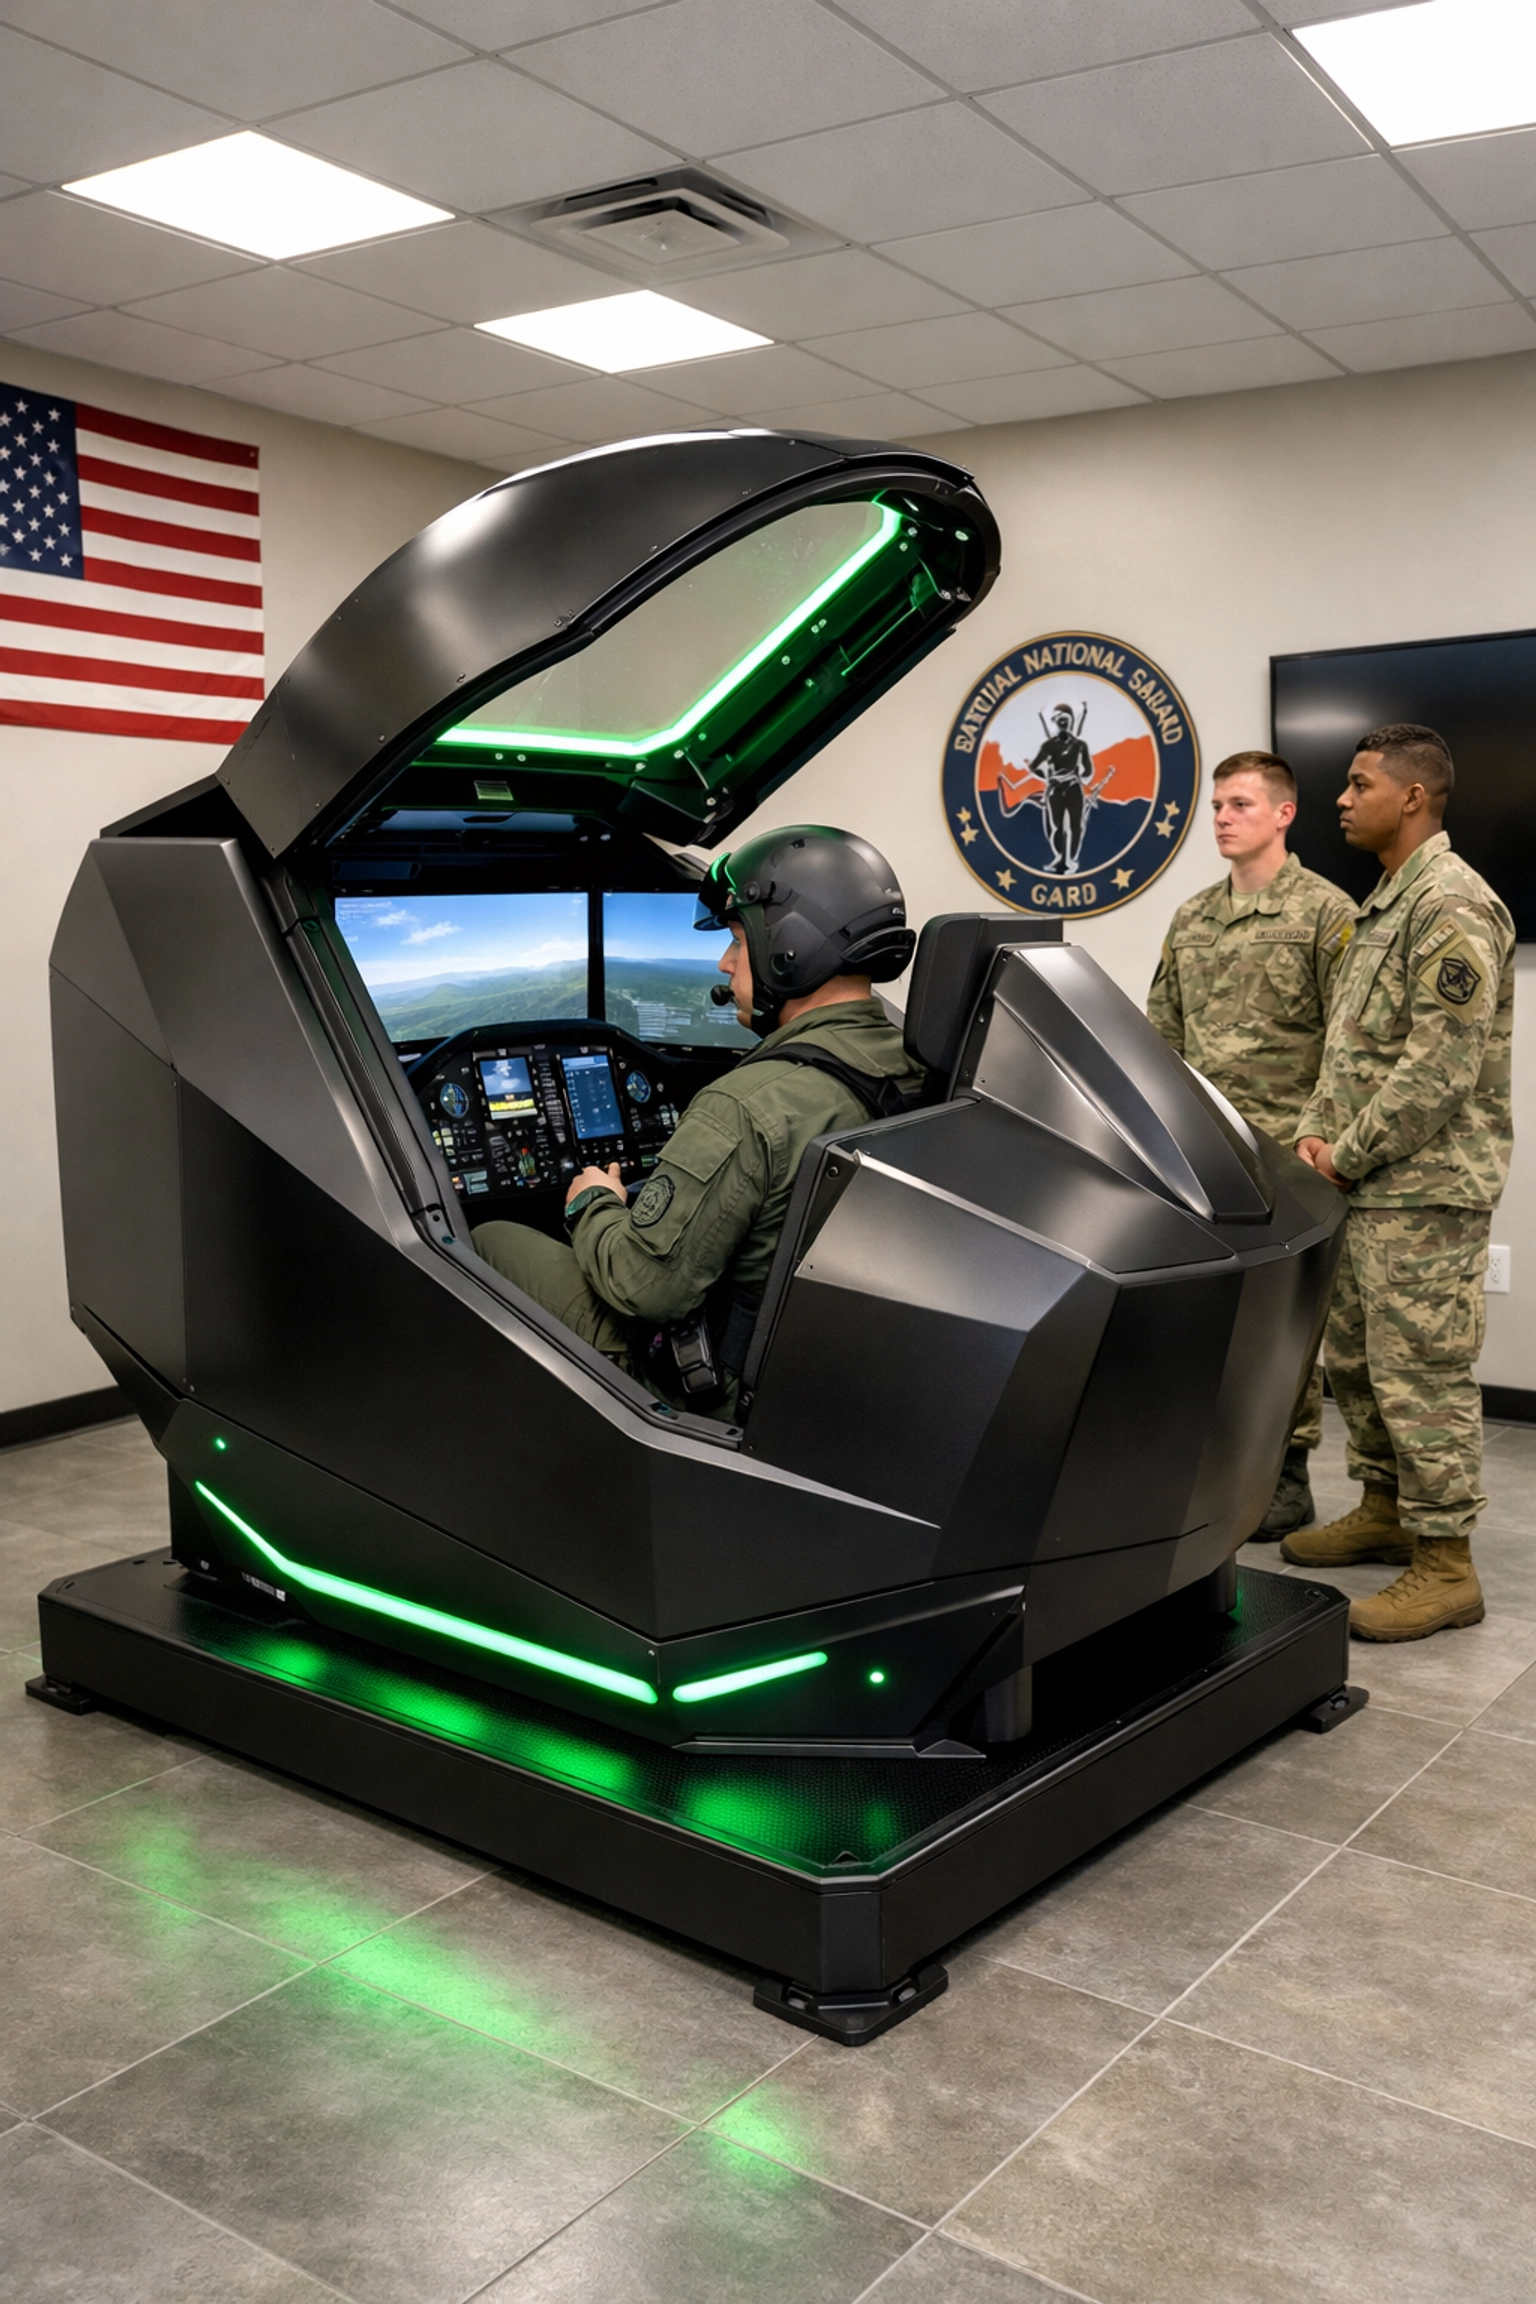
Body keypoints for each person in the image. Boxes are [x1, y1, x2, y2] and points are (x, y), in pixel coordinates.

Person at [472, 826, 926, 1415]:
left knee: (489, 1237)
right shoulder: (910, 1064)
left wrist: (595, 1203)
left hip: (711, 1386)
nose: (724, 960)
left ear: (788, 948)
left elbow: (645, 1288)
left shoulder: (745, 1106)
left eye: (739, 940)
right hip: (820, 1370)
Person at [1284, 724, 1514, 1642]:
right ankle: (1384, 1509)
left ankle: (1447, 1564)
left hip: (1423, 1189)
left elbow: (1438, 1067)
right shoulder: (1383, 904)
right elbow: (1345, 1050)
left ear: (1413, 796)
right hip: (1366, 1187)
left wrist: (1346, 1150)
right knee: (1361, 1366)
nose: (1342, 798)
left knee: (1422, 1373)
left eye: (1359, 783)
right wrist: (1312, 1132)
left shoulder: (1452, 902)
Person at [1147, 750, 1355, 1537]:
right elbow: (1159, 1035)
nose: (1223, 818)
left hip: (1289, 1159)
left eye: (1239, 804)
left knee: (1286, 1323)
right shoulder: (1193, 918)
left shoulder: (1327, 914)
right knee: (1211, 1315)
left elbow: (1349, 1042)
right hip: (1205, 1157)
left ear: (1283, 813)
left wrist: (1325, 1140)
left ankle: (1287, 1473)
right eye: (1217, 805)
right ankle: (1212, 1467)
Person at [1002, 702, 1095, 874]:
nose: (1063, 723)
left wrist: (1078, 777)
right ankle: (1060, 858)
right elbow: (1034, 766)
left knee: (1076, 825)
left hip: (1074, 788)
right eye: (1060, 720)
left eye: (1066, 719)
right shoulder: (1048, 746)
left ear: (1071, 722)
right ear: (1055, 722)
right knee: (1056, 826)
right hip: (1055, 789)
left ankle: (1071, 859)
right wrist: (1048, 777)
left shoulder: (1080, 745)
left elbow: (1088, 769)